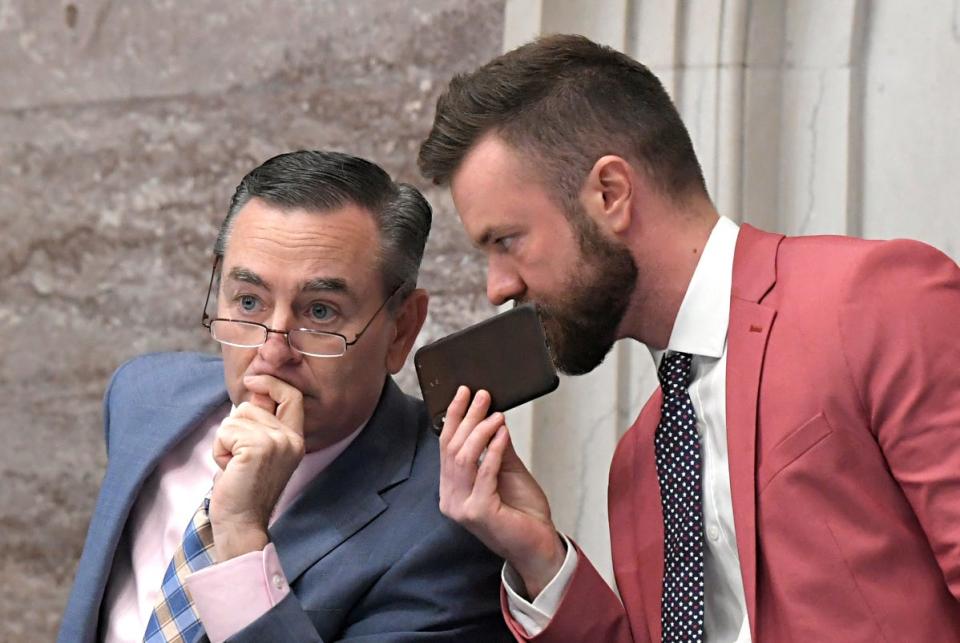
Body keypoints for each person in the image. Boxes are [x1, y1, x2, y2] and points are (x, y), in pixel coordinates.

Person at [417, 33, 960, 642]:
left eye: (506, 240)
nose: (497, 287)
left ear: (609, 194)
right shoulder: (638, 463)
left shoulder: (872, 300)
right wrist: (539, 553)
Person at [58, 150, 512, 643]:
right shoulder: (144, 397)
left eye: (320, 312)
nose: (273, 352)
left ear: (401, 329)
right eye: (249, 302)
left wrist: (241, 535)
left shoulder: (450, 525)